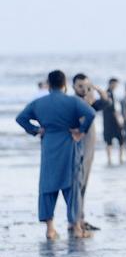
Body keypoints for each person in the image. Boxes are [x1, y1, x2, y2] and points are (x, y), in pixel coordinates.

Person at [16, 70, 97, 240]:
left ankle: (50, 229)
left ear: (49, 83)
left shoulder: (39, 103)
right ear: (65, 84)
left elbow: (21, 118)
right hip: (69, 144)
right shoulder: (72, 101)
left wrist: (36, 130)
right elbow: (90, 113)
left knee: (47, 186)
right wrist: (81, 131)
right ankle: (76, 228)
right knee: (72, 185)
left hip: (49, 145)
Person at [71, 73, 107, 231]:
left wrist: (96, 88)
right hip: (80, 151)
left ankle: (80, 218)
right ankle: (75, 221)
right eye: (80, 86)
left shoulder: (89, 103)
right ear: (73, 87)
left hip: (89, 151)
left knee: (83, 186)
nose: (83, 89)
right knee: (78, 186)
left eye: (86, 86)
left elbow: (106, 102)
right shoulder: (74, 104)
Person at [102, 77, 125, 165]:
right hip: (112, 121)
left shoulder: (108, 93)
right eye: (115, 84)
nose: (116, 86)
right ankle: (118, 159)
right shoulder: (108, 93)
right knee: (119, 140)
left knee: (110, 141)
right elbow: (113, 110)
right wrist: (119, 121)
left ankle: (111, 159)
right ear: (111, 83)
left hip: (107, 121)